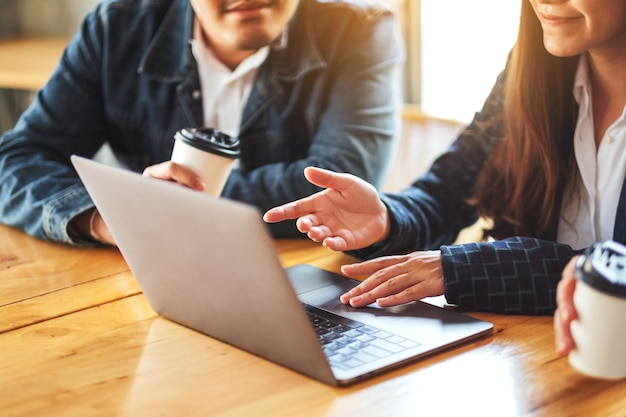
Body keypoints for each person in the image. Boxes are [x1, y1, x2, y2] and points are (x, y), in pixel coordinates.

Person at [264, 0, 626, 331]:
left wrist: (466, 268)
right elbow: (446, 194)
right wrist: (387, 220)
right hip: (539, 353)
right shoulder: (535, 70)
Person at [0, 0, 404, 246]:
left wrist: (163, 205)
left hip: (307, 275)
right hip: (157, 274)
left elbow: (341, 188)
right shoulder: (116, 29)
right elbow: (15, 159)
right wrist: (107, 219)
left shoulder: (360, 30)